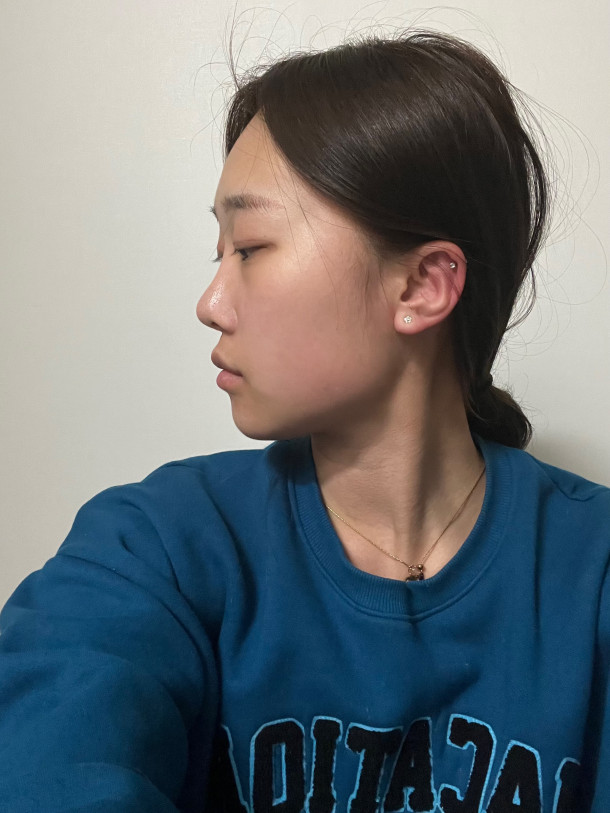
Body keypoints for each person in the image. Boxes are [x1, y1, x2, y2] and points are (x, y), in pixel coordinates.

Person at [0, 27, 608, 813]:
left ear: (423, 285)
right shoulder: (158, 549)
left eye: (250, 247)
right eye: (218, 253)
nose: (211, 302)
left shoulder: (592, 571)